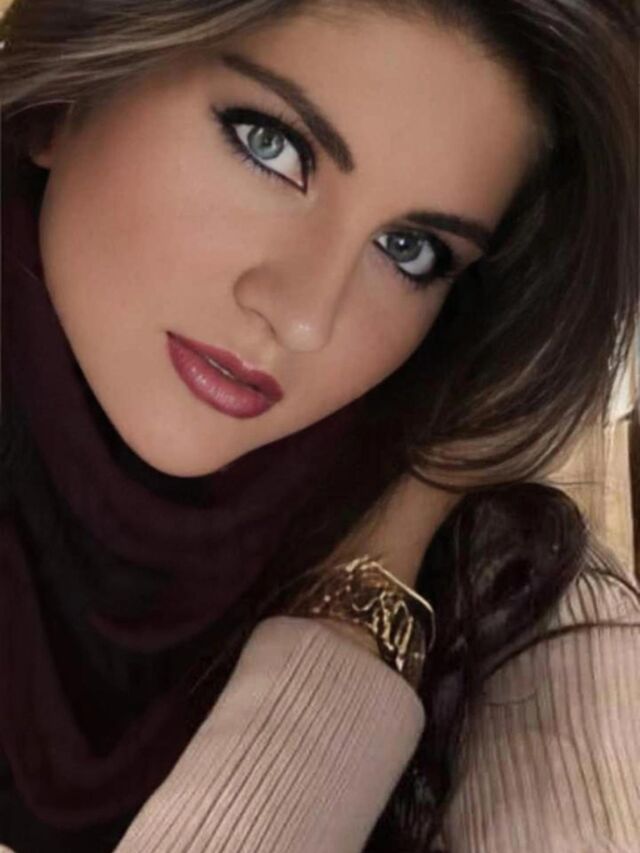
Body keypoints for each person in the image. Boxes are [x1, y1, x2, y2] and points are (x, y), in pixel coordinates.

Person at [1, 1, 639, 851]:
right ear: (65, 100)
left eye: (410, 249)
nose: (305, 317)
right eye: (269, 145)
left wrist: (365, 591)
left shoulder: (521, 608)